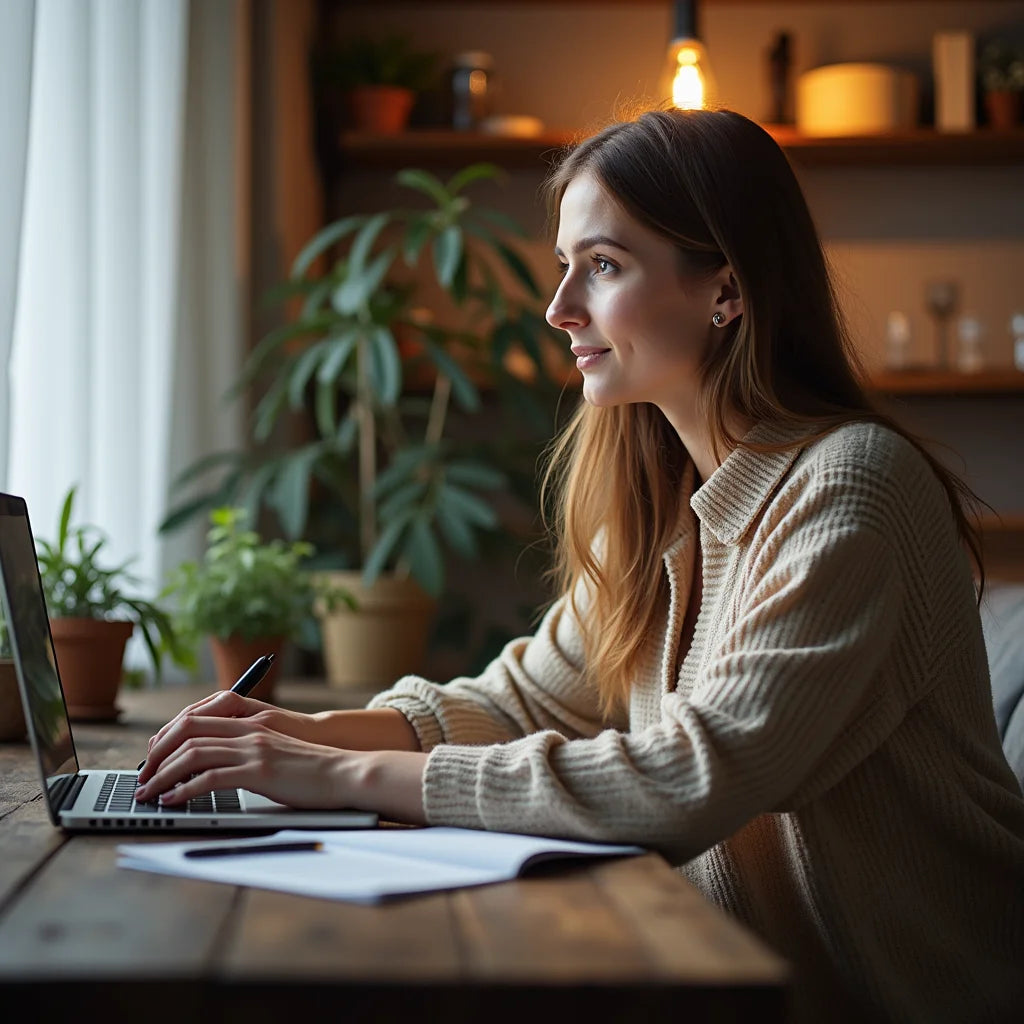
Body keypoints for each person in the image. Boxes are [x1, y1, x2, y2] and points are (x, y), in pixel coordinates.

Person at [135, 108, 1024, 1022]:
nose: (558, 308)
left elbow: (691, 778)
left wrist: (331, 775)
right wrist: (287, 736)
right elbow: (516, 704)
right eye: (565, 264)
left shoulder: (853, 486)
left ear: (726, 290)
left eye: (602, 265)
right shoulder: (661, 501)